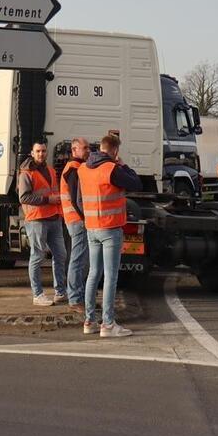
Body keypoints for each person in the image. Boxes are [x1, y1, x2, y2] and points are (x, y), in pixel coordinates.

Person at [77, 133, 142, 338]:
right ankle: (108, 324)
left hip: (91, 227)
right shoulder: (112, 169)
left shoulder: (83, 168)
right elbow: (136, 184)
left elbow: (78, 199)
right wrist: (123, 165)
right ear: (114, 151)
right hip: (110, 228)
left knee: (93, 274)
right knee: (111, 276)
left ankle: (89, 321)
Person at [18, 141, 67, 306]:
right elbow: (24, 197)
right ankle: (37, 295)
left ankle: (60, 292)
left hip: (54, 217)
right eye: (38, 151)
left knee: (60, 255)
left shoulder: (51, 171)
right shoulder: (26, 173)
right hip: (37, 219)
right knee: (37, 257)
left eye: (43, 151)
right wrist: (48, 199)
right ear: (32, 153)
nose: (41, 154)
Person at [60, 137, 90, 314]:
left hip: (76, 220)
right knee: (78, 260)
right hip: (77, 221)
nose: (88, 151)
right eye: (84, 148)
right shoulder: (73, 169)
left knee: (80, 259)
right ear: (74, 150)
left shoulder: (77, 167)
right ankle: (75, 299)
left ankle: (79, 297)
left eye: (88, 148)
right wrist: (84, 217)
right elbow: (75, 198)